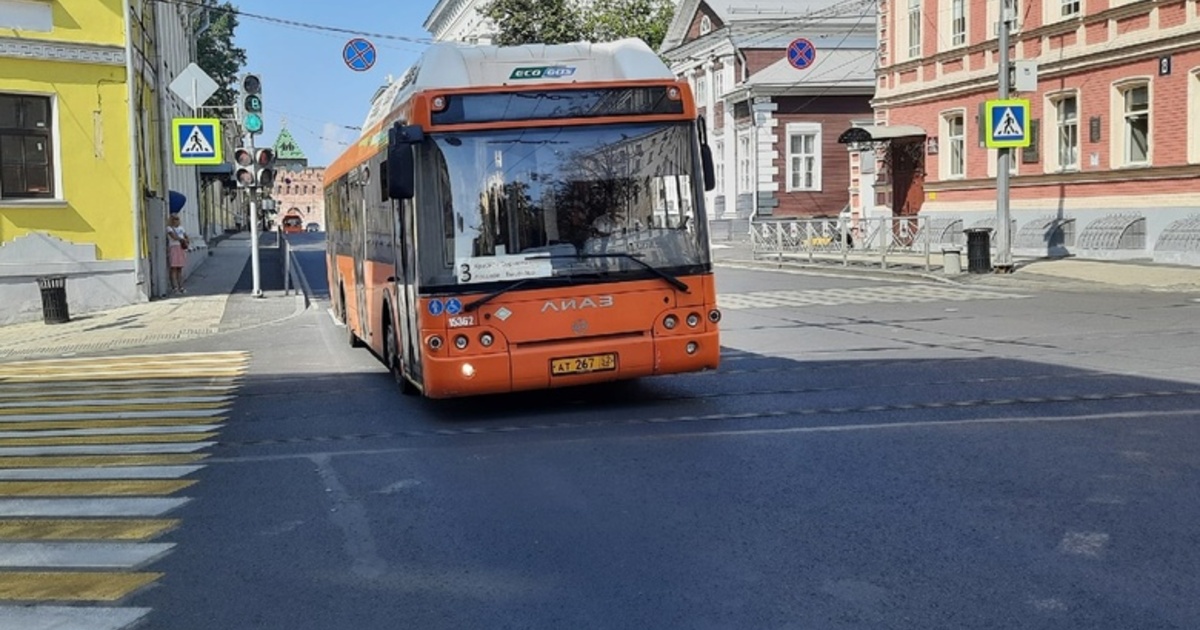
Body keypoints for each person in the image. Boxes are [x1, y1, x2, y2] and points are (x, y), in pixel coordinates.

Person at [166, 214, 189, 294]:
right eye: (175, 219)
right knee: (173, 268)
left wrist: (186, 240)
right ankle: (175, 287)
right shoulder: (169, 228)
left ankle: (181, 287)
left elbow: (186, 236)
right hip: (173, 248)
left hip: (181, 248)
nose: (177, 221)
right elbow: (174, 237)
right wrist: (182, 239)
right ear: (172, 220)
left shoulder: (181, 228)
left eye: (178, 219)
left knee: (180, 269)